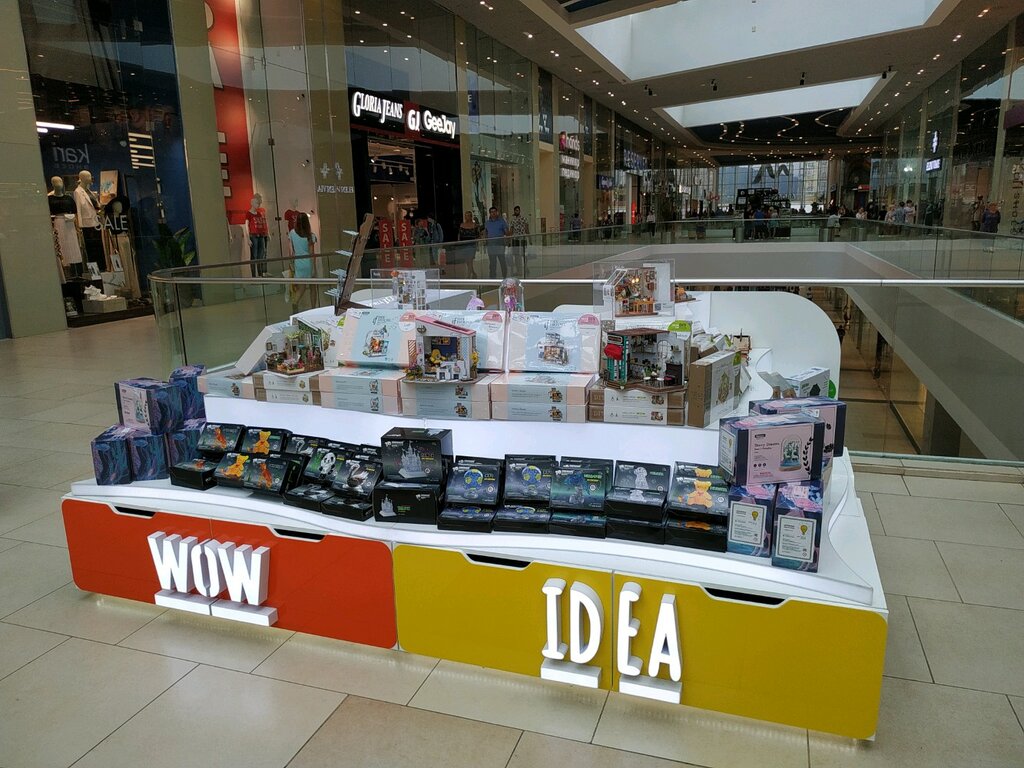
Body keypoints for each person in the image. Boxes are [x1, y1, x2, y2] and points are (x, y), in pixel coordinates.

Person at [288, 212, 317, 309]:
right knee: (313, 288)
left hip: (298, 263)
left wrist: (291, 263)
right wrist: (314, 268)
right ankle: (313, 308)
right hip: (308, 263)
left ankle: (295, 303)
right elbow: (312, 253)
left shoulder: (292, 233)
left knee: (301, 288)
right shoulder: (310, 236)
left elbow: (291, 251)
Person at [451, 210, 480, 279]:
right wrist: (459, 243)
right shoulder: (462, 225)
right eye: (466, 216)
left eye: (468, 216)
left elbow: (477, 235)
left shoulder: (474, 225)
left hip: (472, 245)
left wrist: (477, 244)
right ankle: (473, 272)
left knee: (470, 259)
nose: (467, 217)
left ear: (471, 216)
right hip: (464, 244)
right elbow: (459, 234)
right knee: (467, 260)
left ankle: (468, 275)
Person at [483, 206, 509, 278]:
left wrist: (507, 240)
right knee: (492, 263)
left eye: (495, 211)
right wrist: (485, 241)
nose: (493, 213)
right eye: (492, 212)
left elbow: (507, 232)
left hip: (500, 245)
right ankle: (492, 278)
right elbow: (486, 233)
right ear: (490, 213)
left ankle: (505, 277)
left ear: (497, 212)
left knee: (502, 261)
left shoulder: (501, 221)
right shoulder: (487, 223)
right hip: (491, 246)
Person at [509, 205, 530, 276]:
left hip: (522, 239)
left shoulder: (524, 219)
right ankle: (519, 270)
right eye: (515, 210)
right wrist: (509, 239)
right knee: (517, 256)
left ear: (519, 211)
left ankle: (525, 267)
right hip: (516, 240)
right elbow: (511, 231)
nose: (516, 211)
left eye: (517, 210)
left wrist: (529, 238)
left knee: (524, 254)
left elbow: (527, 229)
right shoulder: (513, 220)